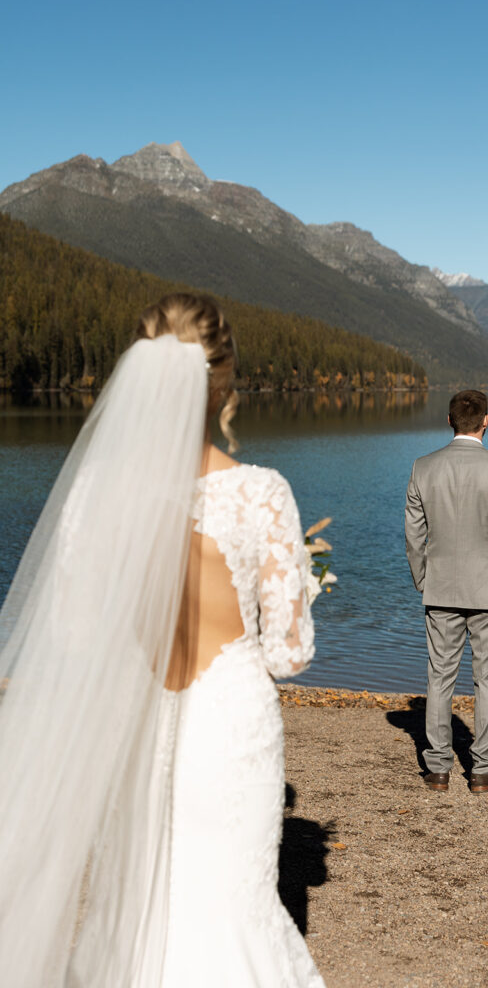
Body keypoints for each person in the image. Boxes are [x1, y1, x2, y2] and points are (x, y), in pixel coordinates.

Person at [0, 293, 325, 987]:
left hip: (136, 723)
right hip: (229, 728)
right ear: (224, 383)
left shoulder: (95, 493)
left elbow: (77, 636)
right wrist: (304, 581)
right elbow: (288, 657)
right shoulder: (261, 493)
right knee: (230, 911)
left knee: (135, 906)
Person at [404, 389, 488, 794]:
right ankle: (482, 770)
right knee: (487, 678)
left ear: (449, 420)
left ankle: (438, 769)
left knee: (439, 676)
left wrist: (424, 578)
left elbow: (413, 535)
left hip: (439, 587)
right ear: (485, 421)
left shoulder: (423, 467)